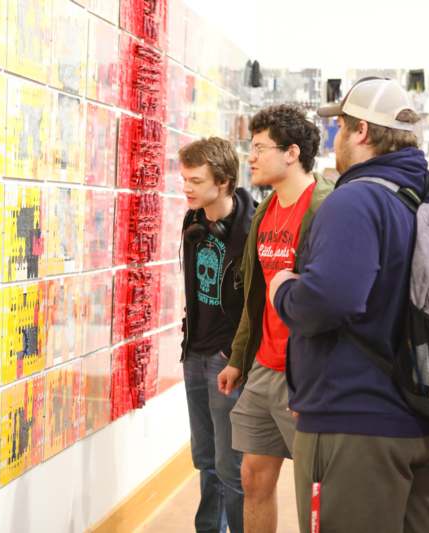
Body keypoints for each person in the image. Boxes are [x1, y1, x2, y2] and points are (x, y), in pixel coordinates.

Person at [269, 77, 429, 533]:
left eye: (339, 126)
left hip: (356, 423)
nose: (334, 139)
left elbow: (328, 300)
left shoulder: (355, 200)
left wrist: (283, 289)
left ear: (360, 132)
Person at [217, 105, 333, 533]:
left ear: (292, 153)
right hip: (264, 368)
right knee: (253, 477)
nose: (250, 156)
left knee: (314, 489)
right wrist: (240, 358)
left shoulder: (325, 207)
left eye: (260, 147)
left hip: (304, 374)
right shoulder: (264, 212)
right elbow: (255, 297)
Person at [180, 137, 256, 533]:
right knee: (205, 459)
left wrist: (236, 355)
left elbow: (254, 305)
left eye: (195, 180)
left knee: (231, 466)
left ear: (224, 182)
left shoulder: (251, 229)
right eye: (185, 179)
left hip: (228, 360)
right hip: (194, 354)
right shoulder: (191, 220)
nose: (187, 187)